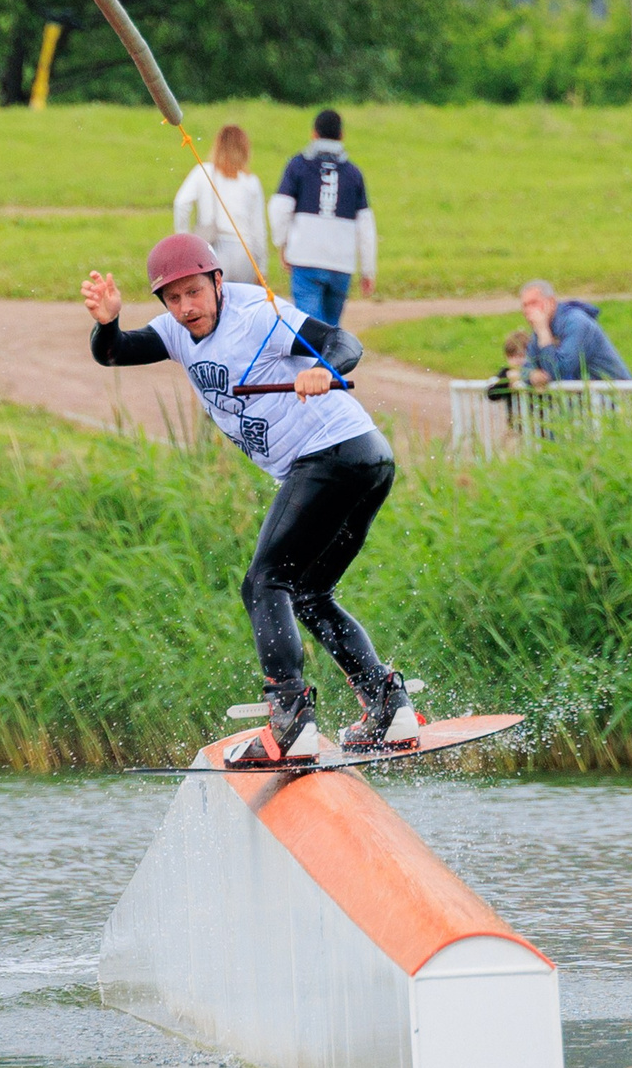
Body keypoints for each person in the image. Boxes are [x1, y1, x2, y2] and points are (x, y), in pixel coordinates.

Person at [81, 234, 417, 763]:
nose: (186, 308)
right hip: (361, 459)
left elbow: (343, 341)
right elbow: (115, 352)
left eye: (195, 292)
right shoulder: (175, 331)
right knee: (308, 591)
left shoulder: (255, 313)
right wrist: (107, 322)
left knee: (264, 582)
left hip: (335, 453)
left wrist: (323, 368)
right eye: (173, 298)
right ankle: (387, 706)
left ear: (217, 281)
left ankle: (291, 719)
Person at [267, 109, 376, 325]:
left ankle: (317, 349)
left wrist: (282, 243)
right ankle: (329, 348)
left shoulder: (298, 165)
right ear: (342, 136)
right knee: (330, 330)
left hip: (305, 258)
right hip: (341, 264)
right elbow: (366, 226)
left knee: (310, 328)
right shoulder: (354, 174)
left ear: (314, 134)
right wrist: (368, 270)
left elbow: (279, 208)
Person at [171, 124, 268, 286]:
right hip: (245, 252)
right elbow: (259, 228)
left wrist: (184, 239)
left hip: (213, 250)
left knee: (213, 299)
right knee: (240, 300)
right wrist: (262, 268)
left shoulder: (203, 172)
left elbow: (181, 203)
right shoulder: (251, 181)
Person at [517, 279, 630, 380]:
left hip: (614, 393)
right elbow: (526, 368)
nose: (529, 310)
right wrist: (532, 376)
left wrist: (544, 334)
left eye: (534, 303)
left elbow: (558, 372)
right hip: (582, 395)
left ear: (551, 302)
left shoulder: (576, 322)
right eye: (525, 305)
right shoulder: (542, 327)